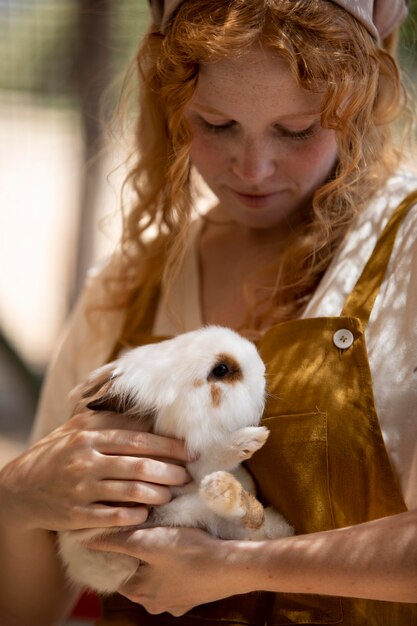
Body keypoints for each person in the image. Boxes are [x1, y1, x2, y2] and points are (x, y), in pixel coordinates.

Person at [1, 0, 416, 624]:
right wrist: (17, 499)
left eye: (297, 129)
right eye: (217, 124)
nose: (252, 169)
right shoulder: (128, 284)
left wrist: (234, 569)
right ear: (173, 109)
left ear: (359, 105)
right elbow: (26, 611)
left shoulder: (407, 254)